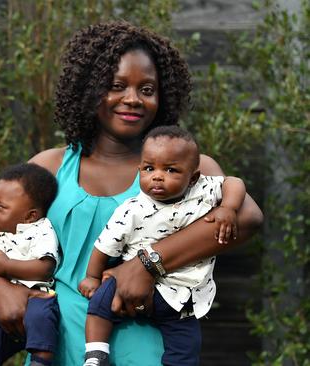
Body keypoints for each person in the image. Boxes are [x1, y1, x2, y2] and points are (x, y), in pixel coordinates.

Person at [0, 21, 263, 365]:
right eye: (116, 86)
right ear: (88, 90)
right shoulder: (49, 167)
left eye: (147, 89)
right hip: (59, 342)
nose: (132, 99)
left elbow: (248, 217)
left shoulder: (180, 171)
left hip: (145, 338)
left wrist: (146, 264)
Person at [79, 126, 246, 366]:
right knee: (99, 305)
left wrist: (228, 207)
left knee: (186, 343)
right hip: (129, 285)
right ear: (139, 170)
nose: (157, 176)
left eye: (170, 170)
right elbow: (105, 245)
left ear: (193, 177)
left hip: (181, 297)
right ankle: (96, 355)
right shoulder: (132, 209)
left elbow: (234, 182)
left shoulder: (203, 191)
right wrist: (92, 276)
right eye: (149, 168)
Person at [0, 163, 60, 366]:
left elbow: (44, 268)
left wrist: (7, 266)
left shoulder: (40, 230)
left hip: (36, 298)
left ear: (30, 215)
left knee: (42, 319)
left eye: (1, 207)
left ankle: (40, 361)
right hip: (2, 302)